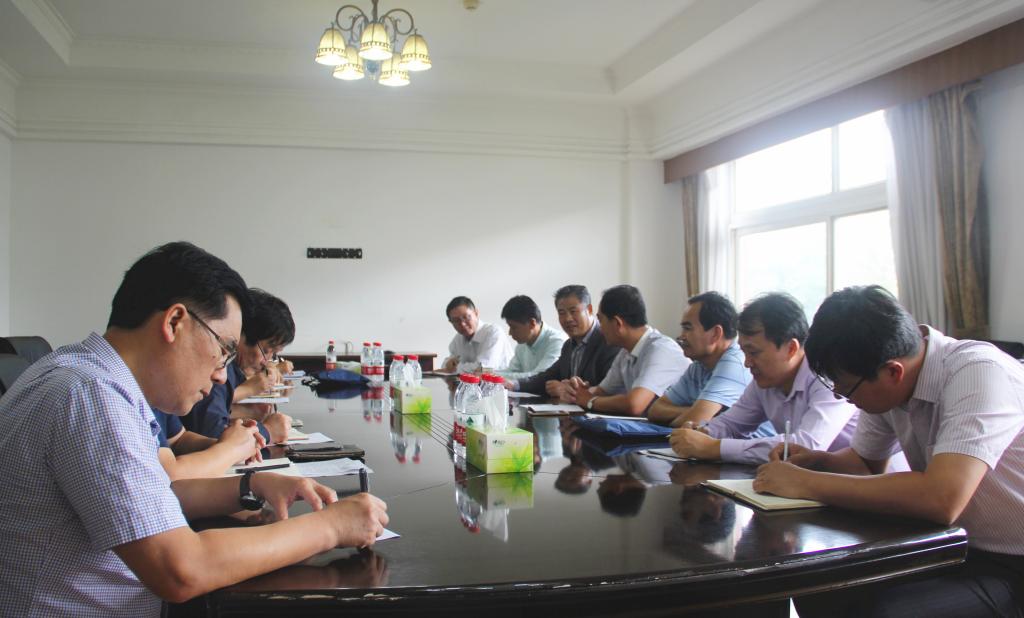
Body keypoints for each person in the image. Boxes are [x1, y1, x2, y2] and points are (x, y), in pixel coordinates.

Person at [0, 242, 388, 617]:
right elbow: (181, 569)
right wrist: (331, 526)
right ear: (175, 322)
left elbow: (149, 497)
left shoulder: (84, 373)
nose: (221, 375)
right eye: (224, 350)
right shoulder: (90, 395)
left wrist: (250, 486)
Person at [754, 285, 1024, 616]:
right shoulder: (890, 383)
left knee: (882, 612)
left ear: (893, 371)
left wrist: (805, 483)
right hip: (953, 544)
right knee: (817, 584)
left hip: (1011, 562)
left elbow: (942, 498)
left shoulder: (978, 373)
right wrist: (817, 463)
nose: (840, 396)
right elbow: (865, 464)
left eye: (846, 388)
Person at [669, 292, 856, 464]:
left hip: (848, 481)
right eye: (744, 352)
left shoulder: (828, 376)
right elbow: (731, 423)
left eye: (753, 352)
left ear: (791, 348)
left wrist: (714, 448)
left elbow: (806, 446)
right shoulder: (766, 381)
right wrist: (703, 432)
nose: (747, 363)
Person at [182, 288, 294, 444]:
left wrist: (246, 413)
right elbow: (212, 433)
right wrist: (267, 431)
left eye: (274, 354)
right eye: (266, 350)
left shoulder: (234, 370)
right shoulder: (220, 367)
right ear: (241, 334)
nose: (266, 361)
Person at [573, 285, 689, 416]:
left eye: (601, 320)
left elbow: (634, 405)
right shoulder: (626, 351)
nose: (600, 327)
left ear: (617, 323)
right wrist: (577, 392)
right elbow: (602, 391)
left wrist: (590, 401)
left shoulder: (661, 349)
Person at [648, 292, 751, 427]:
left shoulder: (735, 363)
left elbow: (694, 422)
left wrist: (694, 414)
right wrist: (694, 411)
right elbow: (655, 411)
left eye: (687, 328)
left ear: (715, 334)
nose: (681, 336)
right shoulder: (698, 366)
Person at [513, 285, 619, 400]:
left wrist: (567, 391)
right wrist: (514, 384)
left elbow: (611, 390)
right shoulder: (568, 345)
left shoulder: (609, 341)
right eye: (562, 313)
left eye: (573, 311)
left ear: (589, 310)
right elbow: (548, 377)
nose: (568, 318)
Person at [494, 295, 567, 383]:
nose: (510, 333)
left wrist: (493, 375)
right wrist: (488, 374)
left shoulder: (557, 341)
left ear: (532, 323)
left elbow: (539, 377)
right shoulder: (521, 345)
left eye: (514, 327)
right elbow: (511, 371)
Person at [441, 296, 514, 374]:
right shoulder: (458, 338)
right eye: (456, 320)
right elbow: (446, 365)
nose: (462, 324)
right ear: (451, 322)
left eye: (466, 317)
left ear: (476, 313)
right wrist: (449, 365)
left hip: (504, 381)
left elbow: (483, 369)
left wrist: (455, 368)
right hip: (474, 381)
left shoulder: (494, 332)